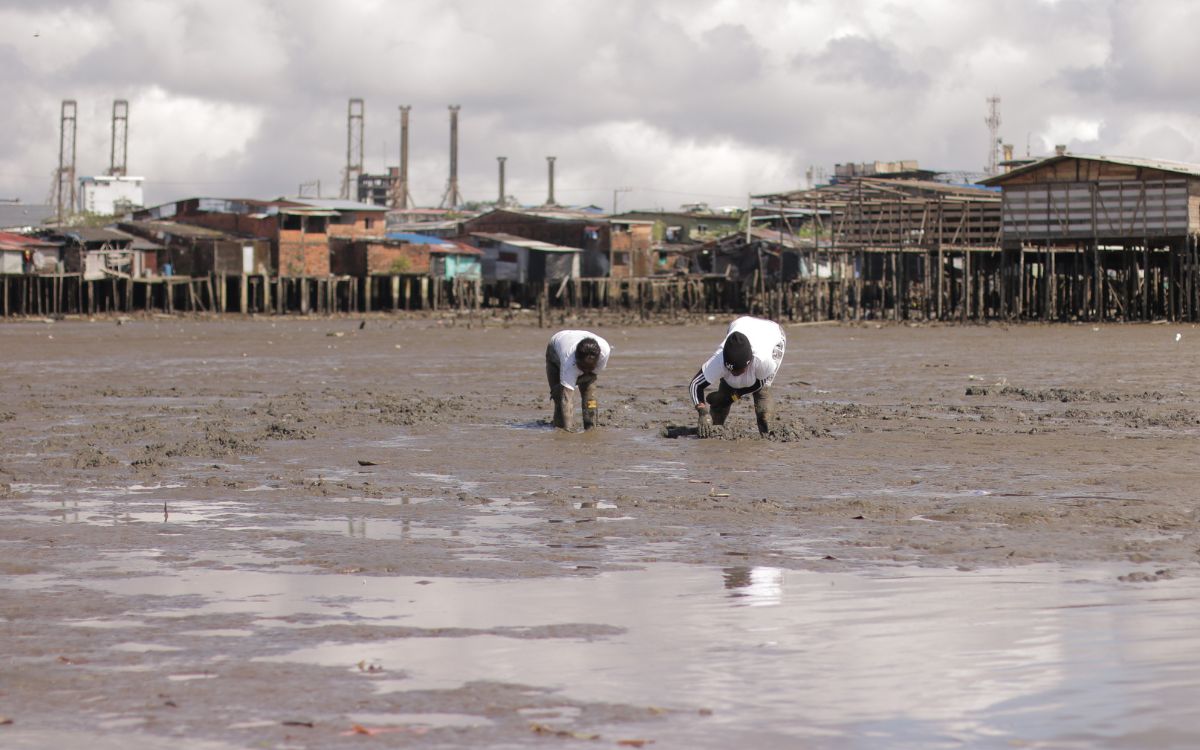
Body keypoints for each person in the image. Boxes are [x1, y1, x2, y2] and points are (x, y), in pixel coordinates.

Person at [689, 316, 786, 437]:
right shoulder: (718, 360)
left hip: (774, 333)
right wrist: (702, 411)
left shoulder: (763, 361)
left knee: (761, 393)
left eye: (739, 370)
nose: (734, 374)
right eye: (730, 370)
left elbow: (759, 384)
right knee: (726, 389)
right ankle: (714, 431)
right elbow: (695, 385)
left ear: (749, 362)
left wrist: (733, 397)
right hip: (739, 323)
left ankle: (768, 434)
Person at [546, 330, 611, 431]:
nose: (585, 371)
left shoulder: (604, 352)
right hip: (555, 347)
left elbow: (592, 376)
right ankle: (560, 426)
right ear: (576, 360)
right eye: (582, 367)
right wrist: (568, 430)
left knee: (590, 397)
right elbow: (567, 398)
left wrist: (584, 375)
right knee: (559, 397)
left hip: (575, 341)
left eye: (590, 367)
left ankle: (591, 426)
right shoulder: (569, 361)